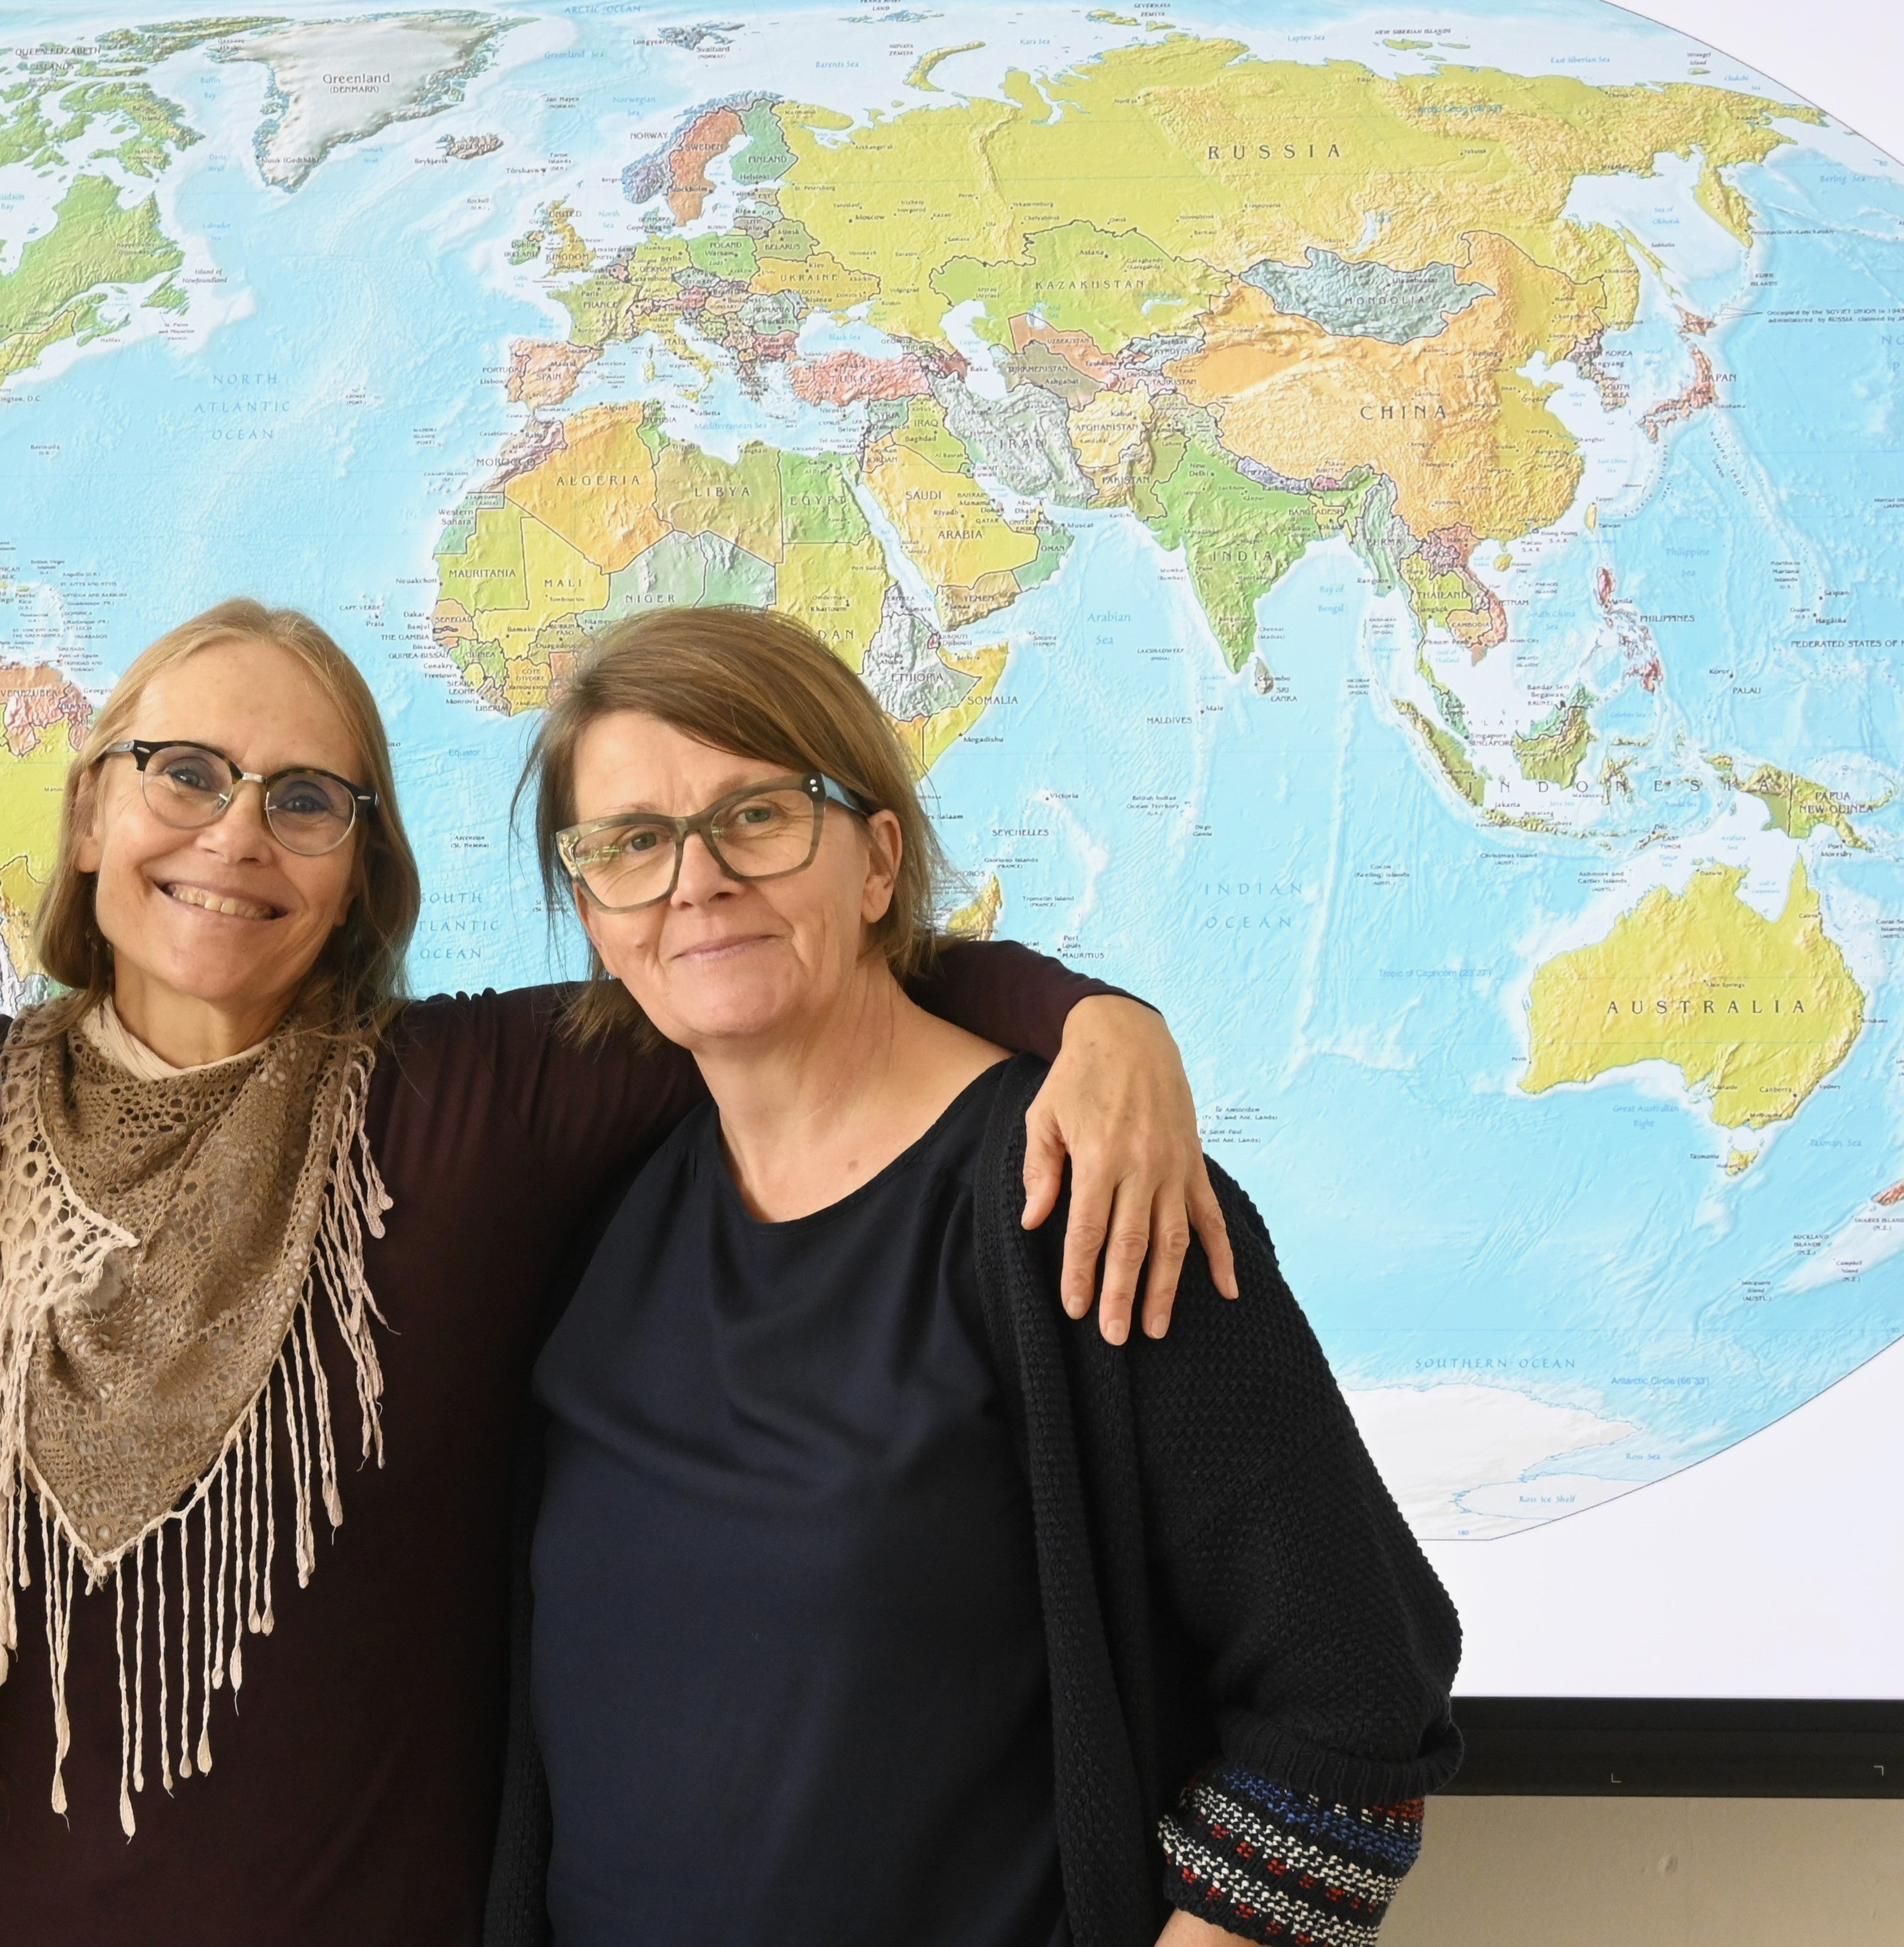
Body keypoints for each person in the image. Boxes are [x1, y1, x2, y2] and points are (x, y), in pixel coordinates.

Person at [0, 602, 1231, 1946]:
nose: (235, 836)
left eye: (307, 798)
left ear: (362, 864)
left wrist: (1090, 1017)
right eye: (183, 772)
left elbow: (752, 957)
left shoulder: (485, 1102)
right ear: (94, 813)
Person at [487, 606, 1462, 1947]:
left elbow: (1353, 1696)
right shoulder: (595, 1219)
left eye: (757, 818)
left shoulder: (1085, 1196)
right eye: (631, 845)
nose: (694, 882)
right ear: (592, 907)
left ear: (877, 858)